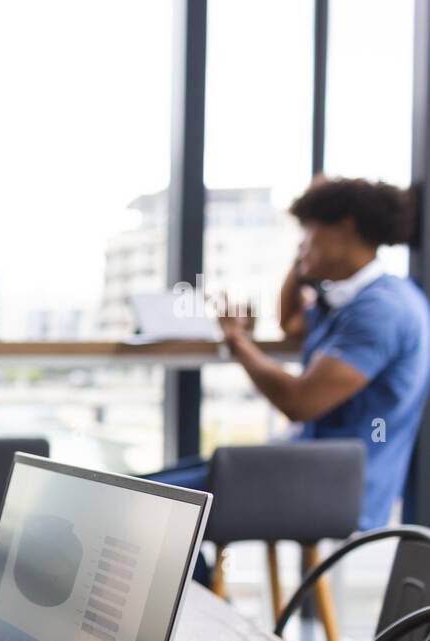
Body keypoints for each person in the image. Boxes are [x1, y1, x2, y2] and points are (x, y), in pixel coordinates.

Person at [143, 176, 430, 582]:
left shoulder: (381, 310)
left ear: (346, 229)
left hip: (335, 487)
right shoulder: (353, 301)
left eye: (309, 233)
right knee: (138, 490)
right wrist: (301, 267)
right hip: (304, 469)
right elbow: (291, 321)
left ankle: (193, 610)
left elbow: (300, 401)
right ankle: (194, 589)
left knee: (147, 509)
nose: (302, 246)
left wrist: (237, 341)